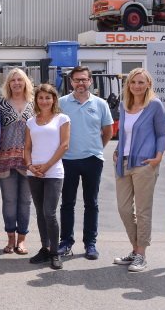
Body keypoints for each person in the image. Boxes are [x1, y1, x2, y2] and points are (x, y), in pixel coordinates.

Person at [112, 68, 165, 272]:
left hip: (144, 164)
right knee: (124, 209)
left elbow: (161, 134)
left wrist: (159, 156)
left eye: (141, 82)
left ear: (148, 85)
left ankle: (141, 254)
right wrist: (117, 151)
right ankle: (135, 249)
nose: (137, 86)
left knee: (143, 211)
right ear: (128, 85)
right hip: (123, 163)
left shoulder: (154, 105)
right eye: (133, 82)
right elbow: (124, 134)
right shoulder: (125, 105)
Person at [58, 66, 113, 261]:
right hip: (67, 160)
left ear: (90, 81)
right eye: (77, 80)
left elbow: (108, 131)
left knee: (92, 203)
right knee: (67, 203)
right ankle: (65, 242)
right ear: (71, 82)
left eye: (84, 80)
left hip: (92, 160)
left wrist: (96, 148)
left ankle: (90, 243)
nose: (80, 83)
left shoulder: (100, 104)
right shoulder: (61, 103)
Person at [24, 84, 71, 270]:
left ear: (54, 99)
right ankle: (44, 248)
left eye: (48, 98)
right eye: (41, 98)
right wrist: (29, 165)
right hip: (33, 172)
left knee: (49, 212)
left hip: (53, 172)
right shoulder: (31, 122)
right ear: (36, 100)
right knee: (40, 212)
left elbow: (64, 145)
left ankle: (55, 251)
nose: (44, 101)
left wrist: (46, 166)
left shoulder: (62, 119)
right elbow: (27, 147)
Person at [0, 68, 35, 255]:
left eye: (20, 79)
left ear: (26, 82)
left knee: (25, 201)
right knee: (9, 200)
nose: (17, 83)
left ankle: (22, 240)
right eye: (13, 80)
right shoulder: (0, 103)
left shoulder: (35, 103)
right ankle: (10, 238)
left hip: (29, 160)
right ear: (8, 84)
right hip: (4, 158)